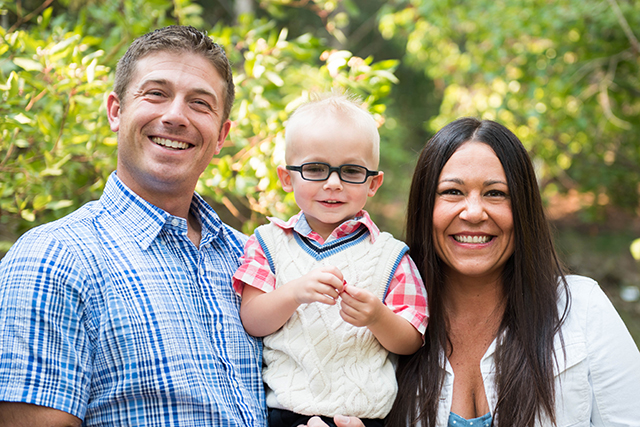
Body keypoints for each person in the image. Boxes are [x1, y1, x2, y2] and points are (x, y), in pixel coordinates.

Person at [0, 26, 267, 426]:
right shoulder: (52, 259)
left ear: (221, 136)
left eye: (200, 103)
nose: (176, 116)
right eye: (156, 94)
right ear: (115, 111)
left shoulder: (255, 260)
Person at [307, 117, 640, 427]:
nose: (475, 212)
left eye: (496, 193)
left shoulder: (581, 310)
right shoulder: (377, 320)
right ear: (426, 207)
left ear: (522, 208)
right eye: (453, 192)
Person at [232, 93, 429, 427]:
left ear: (373, 183)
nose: (333, 183)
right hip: (288, 413)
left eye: (351, 171)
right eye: (315, 169)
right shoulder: (268, 244)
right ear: (286, 177)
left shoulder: (390, 255)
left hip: (364, 417)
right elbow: (252, 319)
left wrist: (378, 317)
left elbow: (412, 339)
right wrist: (294, 293)